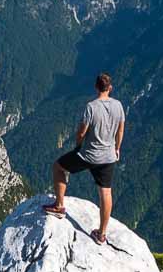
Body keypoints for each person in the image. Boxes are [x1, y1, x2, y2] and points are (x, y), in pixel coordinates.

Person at [44, 72, 125, 243]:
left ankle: (59, 206)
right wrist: (117, 149)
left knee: (59, 167)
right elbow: (120, 131)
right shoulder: (118, 106)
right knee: (105, 192)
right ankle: (101, 234)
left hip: (88, 154)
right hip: (108, 156)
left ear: (96, 87)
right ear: (110, 88)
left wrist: (78, 144)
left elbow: (81, 132)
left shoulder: (91, 107)